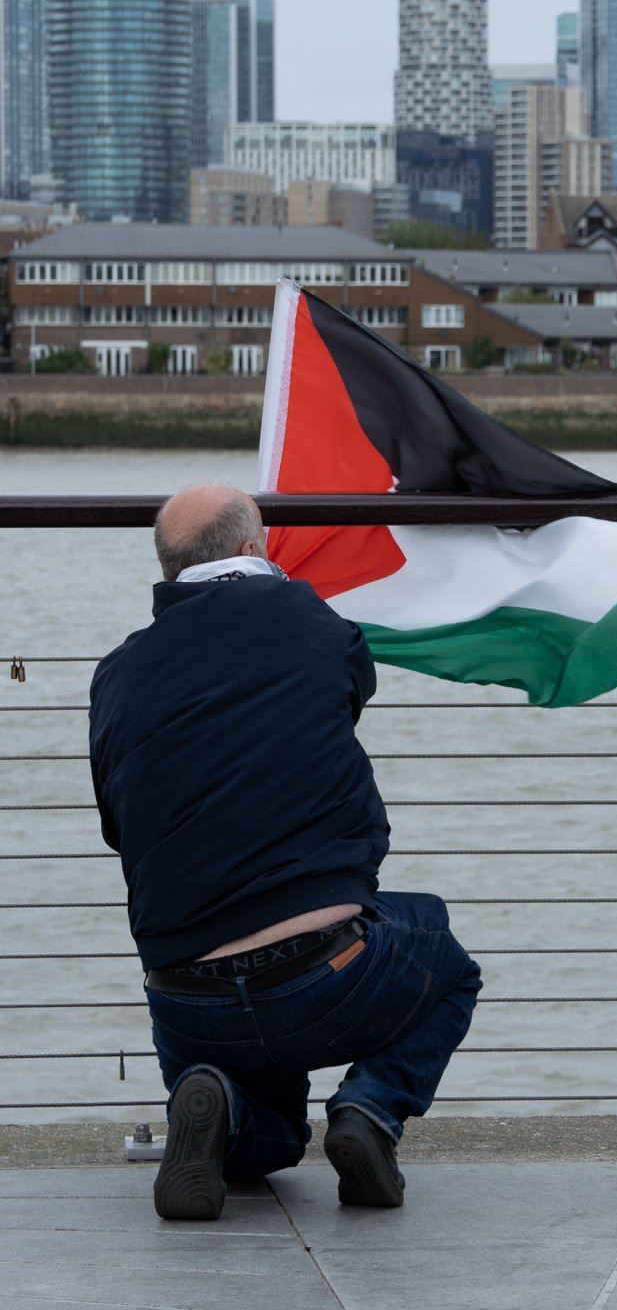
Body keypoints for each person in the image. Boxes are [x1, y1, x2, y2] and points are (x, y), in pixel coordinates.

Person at [89, 483, 482, 1222]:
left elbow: (118, 827)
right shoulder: (306, 619)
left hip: (186, 999)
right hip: (325, 978)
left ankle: (217, 1100)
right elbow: (352, 685)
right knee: (448, 963)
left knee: (265, 1147)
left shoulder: (116, 673)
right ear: (251, 548)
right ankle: (370, 1110)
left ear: (169, 566)